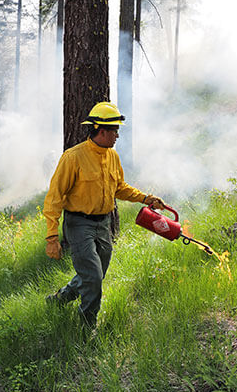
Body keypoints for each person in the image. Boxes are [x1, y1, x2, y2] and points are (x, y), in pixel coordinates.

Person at [43, 101, 166, 328]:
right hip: (79, 224)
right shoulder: (73, 157)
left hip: (104, 224)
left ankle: (61, 299)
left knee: (95, 275)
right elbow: (54, 197)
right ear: (102, 131)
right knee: (92, 277)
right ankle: (87, 327)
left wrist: (146, 199)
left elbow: (119, 187)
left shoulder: (112, 156)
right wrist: (52, 237)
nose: (117, 136)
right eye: (115, 131)